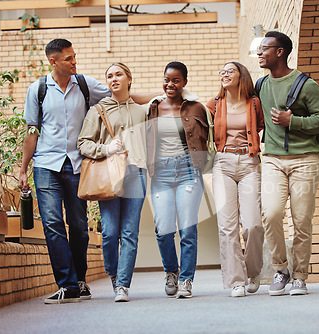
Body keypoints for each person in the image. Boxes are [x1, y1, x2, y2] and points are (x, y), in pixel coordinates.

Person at [18, 39, 155, 304]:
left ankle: (80, 280)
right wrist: (23, 169)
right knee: (52, 224)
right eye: (69, 58)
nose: (74, 61)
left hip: (78, 165)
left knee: (79, 226)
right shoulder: (38, 90)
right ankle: (67, 285)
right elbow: (31, 130)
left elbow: (121, 96)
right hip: (46, 164)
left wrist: (163, 96)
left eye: (74, 57)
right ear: (53, 61)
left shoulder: (84, 85)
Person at [256, 31, 319, 296]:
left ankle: (300, 276)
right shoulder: (261, 85)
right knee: (272, 213)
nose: (259, 53)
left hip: (305, 160)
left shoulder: (305, 84)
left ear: (279, 52)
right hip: (273, 160)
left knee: (301, 220)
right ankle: (281, 268)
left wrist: (294, 122)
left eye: (264, 48)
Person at [77, 63, 146, 302]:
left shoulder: (141, 110)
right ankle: (114, 274)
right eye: (109, 76)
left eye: (118, 74)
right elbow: (83, 143)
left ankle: (123, 285)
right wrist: (106, 148)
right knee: (109, 232)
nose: (113, 79)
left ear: (129, 78)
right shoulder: (97, 110)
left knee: (130, 232)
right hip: (109, 173)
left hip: (136, 173)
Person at [146, 61, 208, 299]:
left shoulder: (197, 108)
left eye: (176, 80)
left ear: (184, 82)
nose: (170, 84)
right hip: (160, 173)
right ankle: (171, 271)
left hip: (188, 171)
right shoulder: (152, 107)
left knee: (188, 228)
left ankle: (186, 280)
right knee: (163, 229)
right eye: (166, 79)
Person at [205, 62, 264, 298]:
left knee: (253, 224)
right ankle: (236, 281)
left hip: (249, 163)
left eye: (230, 71)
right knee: (227, 226)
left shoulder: (254, 103)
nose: (224, 74)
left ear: (242, 76)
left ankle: (253, 271)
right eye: (222, 71)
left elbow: (264, 128)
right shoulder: (215, 104)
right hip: (223, 164)